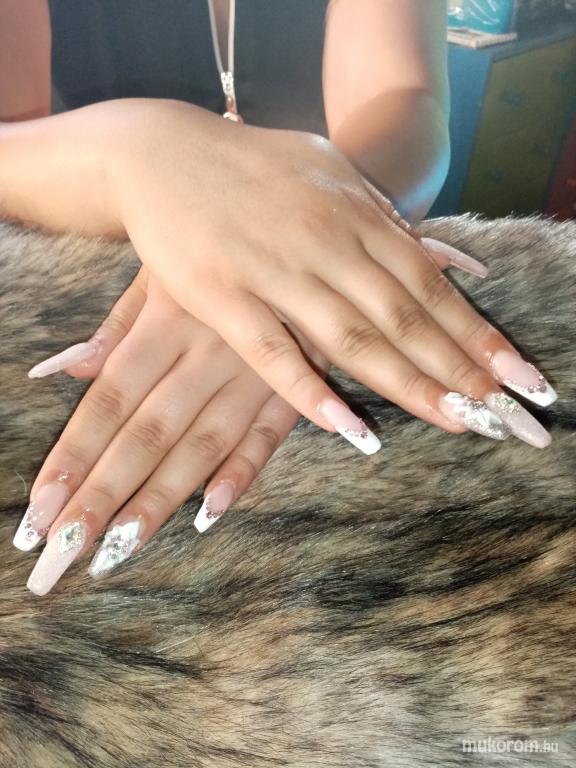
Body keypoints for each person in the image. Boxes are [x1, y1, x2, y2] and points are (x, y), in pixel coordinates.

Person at [0, 0, 556, 596]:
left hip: (319, 241)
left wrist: (306, 234)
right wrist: (131, 145)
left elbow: (406, 97)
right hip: (106, 234)